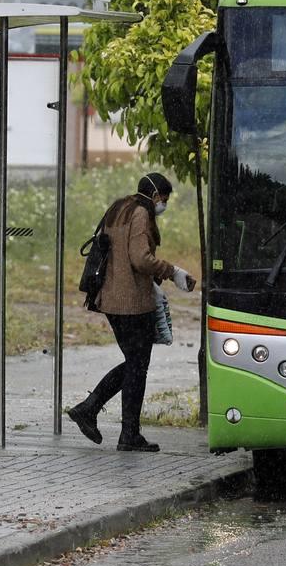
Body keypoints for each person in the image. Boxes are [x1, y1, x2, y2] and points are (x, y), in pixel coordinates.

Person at [67, 172, 197, 451]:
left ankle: (106, 420)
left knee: (134, 364)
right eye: (164, 199)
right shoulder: (140, 213)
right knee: (137, 365)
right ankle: (111, 424)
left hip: (111, 299)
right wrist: (171, 271)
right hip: (131, 303)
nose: (164, 204)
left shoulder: (119, 207)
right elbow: (140, 258)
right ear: (154, 196)